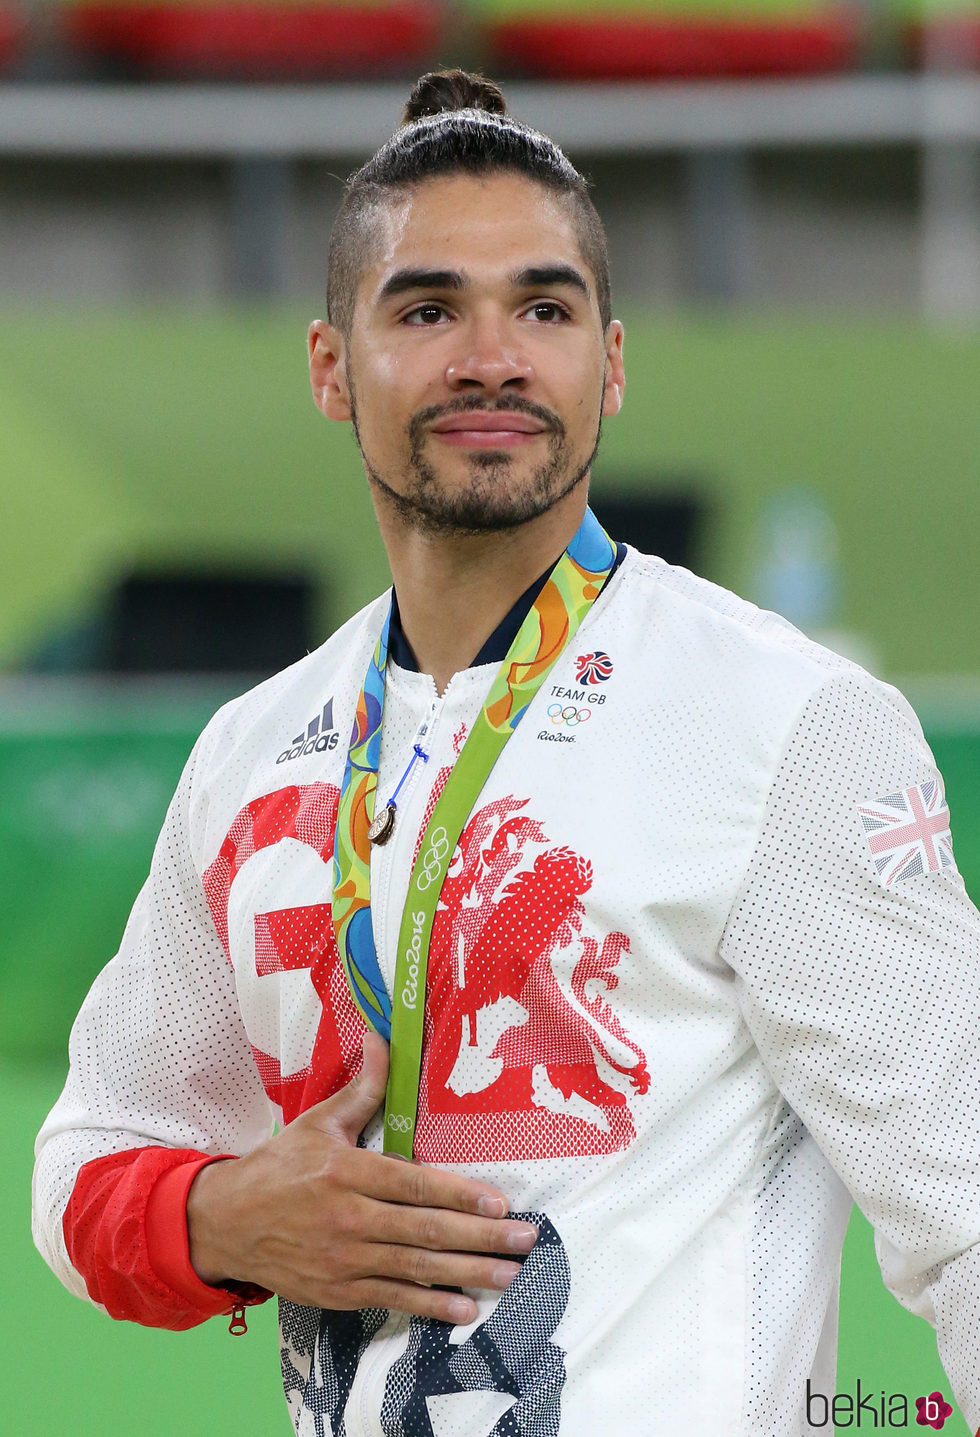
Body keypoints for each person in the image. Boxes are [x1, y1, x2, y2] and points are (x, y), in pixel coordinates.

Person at [32, 69, 980, 1436]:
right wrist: (223, 1216)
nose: (494, 355)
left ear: (612, 358)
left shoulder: (788, 723)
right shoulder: (252, 753)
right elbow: (88, 1166)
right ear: (326, 365)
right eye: (427, 310)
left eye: (544, 307)